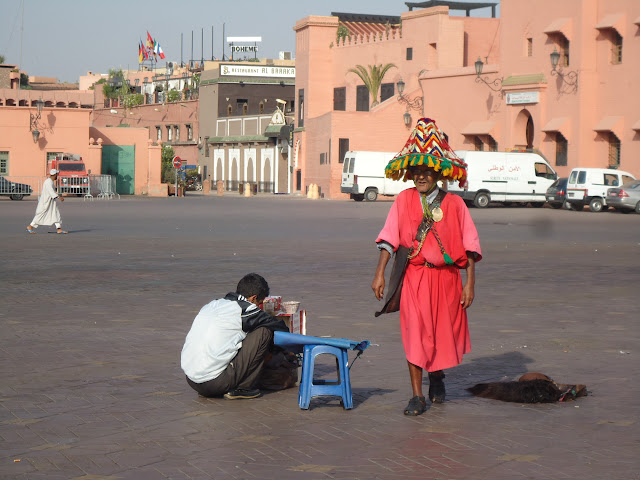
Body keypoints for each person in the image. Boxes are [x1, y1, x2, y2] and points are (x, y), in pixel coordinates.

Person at [371, 118, 482, 416]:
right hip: (414, 278)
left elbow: (470, 246)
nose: (420, 177)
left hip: (447, 280)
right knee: (415, 333)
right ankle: (417, 396)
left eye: (426, 171)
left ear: (437, 172)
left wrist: (469, 283)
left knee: (441, 333)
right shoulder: (404, 200)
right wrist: (380, 272)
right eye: (416, 172)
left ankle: (437, 376)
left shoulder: (456, 205)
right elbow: (389, 238)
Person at [181, 273, 289, 400]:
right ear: (253, 298)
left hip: (192, 380)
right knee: (264, 332)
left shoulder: (213, 304)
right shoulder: (245, 309)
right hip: (214, 383)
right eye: (259, 303)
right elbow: (281, 328)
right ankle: (243, 388)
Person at [26, 169, 67, 234]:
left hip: (51, 202)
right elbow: (51, 192)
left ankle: (59, 228)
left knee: (56, 213)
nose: (57, 176)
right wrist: (59, 197)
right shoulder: (48, 182)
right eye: (57, 174)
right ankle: (30, 226)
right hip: (45, 202)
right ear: (54, 174)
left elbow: (52, 191)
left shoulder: (51, 182)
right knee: (41, 214)